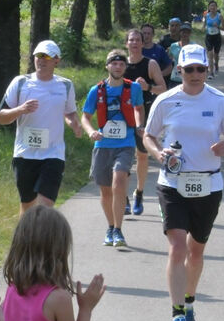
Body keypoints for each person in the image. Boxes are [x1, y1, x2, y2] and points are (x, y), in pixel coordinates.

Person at [142, 44, 224, 321]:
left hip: (208, 184)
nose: (196, 75)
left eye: (201, 69)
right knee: (178, 247)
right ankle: (176, 315)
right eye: (189, 70)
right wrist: (158, 154)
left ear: (207, 70)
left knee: (196, 252)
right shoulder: (166, 101)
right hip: (173, 183)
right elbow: (148, 136)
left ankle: (190, 303)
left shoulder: (220, 101)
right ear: (179, 71)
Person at [0, 40, 83, 213]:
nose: (41, 60)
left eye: (46, 57)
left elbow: (70, 112)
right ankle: (25, 239)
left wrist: (74, 124)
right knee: (27, 207)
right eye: (38, 56)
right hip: (25, 153)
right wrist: (21, 109)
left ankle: (43, 239)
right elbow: (1, 118)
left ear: (57, 60)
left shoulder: (65, 85)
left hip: (53, 153)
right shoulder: (20, 82)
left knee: (45, 204)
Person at [81, 50, 144, 247]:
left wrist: (140, 124)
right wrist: (91, 131)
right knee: (106, 191)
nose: (118, 67)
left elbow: (139, 108)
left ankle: (118, 230)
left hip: (125, 144)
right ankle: (110, 227)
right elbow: (85, 117)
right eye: (114, 64)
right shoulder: (96, 91)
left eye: (121, 64)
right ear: (107, 66)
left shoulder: (133, 88)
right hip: (103, 144)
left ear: (125, 67)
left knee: (119, 180)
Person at [124, 28, 166, 217]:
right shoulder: (119, 64)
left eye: (137, 40)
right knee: (122, 156)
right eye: (131, 40)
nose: (134, 43)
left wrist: (147, 87)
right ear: (127, 43)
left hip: (146, 114)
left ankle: (139, 193)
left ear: (143, 43)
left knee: (141, 156)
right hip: (122, 116)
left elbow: (163, 89)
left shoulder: (151, 64)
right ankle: (123, 196)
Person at [167, 21, 194, 88]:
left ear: (190, 33)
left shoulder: (194, 46)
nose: (184, 34)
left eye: (187, 32)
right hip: (175, 78)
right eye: (183, 32)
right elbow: (168, 61)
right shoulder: (173, 46)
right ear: (179, 32)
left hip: (189, 78)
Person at [202, 1, 224, 76]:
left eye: (214, 6)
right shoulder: (206, 16)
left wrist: (218, 26)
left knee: (216, 54)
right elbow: (204, 25)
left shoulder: (220, 16)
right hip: (209, 37)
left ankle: (216, 64)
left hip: (217, 37)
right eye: (211, 6)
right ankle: (211, 72)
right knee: (210, 54)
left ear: (216, 7)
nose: (212, 7)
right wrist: (202, 28)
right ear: (209, 7)